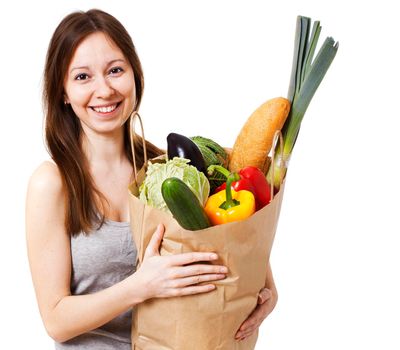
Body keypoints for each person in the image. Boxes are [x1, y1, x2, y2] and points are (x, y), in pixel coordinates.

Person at [25, 8, 277, 349]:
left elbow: (231, 242)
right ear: (63, 93)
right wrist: (141, 285)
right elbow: (56, 320)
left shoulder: (168, 170)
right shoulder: (52, 183)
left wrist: (263, 292)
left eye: (115, 71)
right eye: (83, 77)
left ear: (135, 76)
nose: (104, 90)